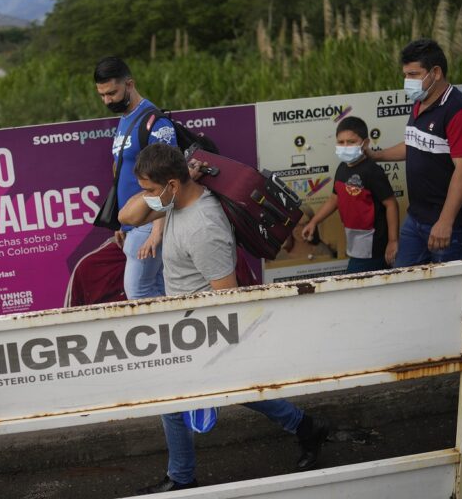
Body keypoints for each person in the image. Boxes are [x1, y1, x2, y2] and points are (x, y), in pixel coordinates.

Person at [119, 143, 328, 494]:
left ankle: (182, 478)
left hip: (202, 330)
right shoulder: (172, 202)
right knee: (236, 392)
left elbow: (226, 296)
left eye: (151, 191)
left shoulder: (203, 227)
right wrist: (156, 194)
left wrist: (214, 349)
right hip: (183, 324)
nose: (147, 198)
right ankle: (307, 427)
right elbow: (127, 216)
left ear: (172, 185)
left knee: (172, 399)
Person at [363, 39, 462, 267]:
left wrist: (445, 221)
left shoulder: (460, 111)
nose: (407, 81)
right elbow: (413, 144)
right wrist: (375, 155)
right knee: (404, 282)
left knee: (444, 293)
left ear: (435, 73)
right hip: (417, 218)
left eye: (413, 74)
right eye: (405, 75)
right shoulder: (421, 102)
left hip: (451, 224)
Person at [94, 56, 177, 301]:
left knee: (139, 292)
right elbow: (120, 171)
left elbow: (167, 178)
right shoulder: (125, 120)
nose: (107, 100)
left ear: (129, 84)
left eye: (112, 93)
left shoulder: (155, 122)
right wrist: (123, 223)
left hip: (151, 222)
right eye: (102, 95)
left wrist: (157, 231)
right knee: (159, 291)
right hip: (135, 223)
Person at [303, 116, 399, 273]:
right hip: (354, 241)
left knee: (355, 285)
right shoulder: (341, 168)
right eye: (341, 142)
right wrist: (314, 222)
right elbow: (335, 199)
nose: (345, 146)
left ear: (365, 143)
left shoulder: (372, 171)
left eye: (351, 142)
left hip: (373, 245)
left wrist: (393, 241)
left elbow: (391, 204)